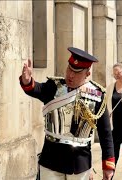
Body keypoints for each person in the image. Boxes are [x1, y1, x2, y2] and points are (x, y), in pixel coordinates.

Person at [19, 47, 115, 180]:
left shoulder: (97, 96)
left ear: (87, 73)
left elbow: (106, 133)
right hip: (51, 160)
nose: (70, 75)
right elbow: (35, 89)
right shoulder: (54, 87)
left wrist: (108, 165)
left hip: (79, 163)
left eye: (77, 72)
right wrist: (27, 80)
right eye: (69, 69)